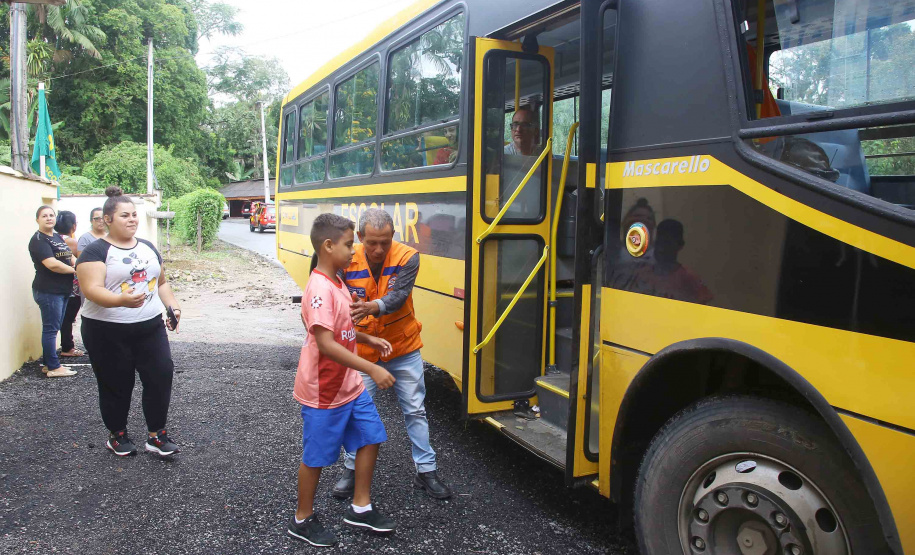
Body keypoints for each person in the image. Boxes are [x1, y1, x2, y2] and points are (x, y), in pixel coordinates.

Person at [288, 213, 397, 547]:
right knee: (317, 457)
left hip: (349, 385)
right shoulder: (319, 289)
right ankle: (302, 519)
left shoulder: (338, 282)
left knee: (370, 437)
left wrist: (368, 341)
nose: (355, 250)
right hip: (325, 391)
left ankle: (360, 507)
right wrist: (374, 368)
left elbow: (344, 330)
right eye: (350, 244)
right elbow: (325, 343)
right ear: (328, 245)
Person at [333, 208, 453, 500]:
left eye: (385, 242)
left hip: (403, 345)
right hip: (363, 349)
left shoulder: (408, 256)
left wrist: (371, 306)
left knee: (415, 410)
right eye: (372, 242)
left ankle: (426, 471)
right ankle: (350, 469)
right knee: (357, 412)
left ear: (392, 237)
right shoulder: (346, 259)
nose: (378, 249)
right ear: (360, 237)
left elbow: (399, 297)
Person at [76, 186, 182, 458]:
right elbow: (91, 290)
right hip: (106, 331)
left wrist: (172, 305)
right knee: (116, 383)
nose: (132, 219)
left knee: (161, 375)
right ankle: (117, 435)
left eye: (135, 214)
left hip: (149, 327)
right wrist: (120, 301)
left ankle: (156, 435)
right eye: (125, 215)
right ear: (107, 219)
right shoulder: (96, 252)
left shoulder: (147, 247)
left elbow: (162, 282)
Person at [28, 206, 78, 378]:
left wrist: (78, 264)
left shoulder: (56, 237)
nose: (49, 218)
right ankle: (53, 368)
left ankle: (50, 363)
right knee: (50, 329)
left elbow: (69, 256)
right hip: (48, 291)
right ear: (37, 220)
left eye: (51, 215)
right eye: (44, 216)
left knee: (54, 328)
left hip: (62, 290)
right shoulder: (38, 240)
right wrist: (75, 271)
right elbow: (52, 264)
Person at [54, 211, 84, 359]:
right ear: (73, 225)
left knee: (65, 317)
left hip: (58, 283)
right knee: (68, 317)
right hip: (72, 285)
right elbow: (82, 259)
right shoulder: (71, 242)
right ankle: (67, 346)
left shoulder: (53, 239)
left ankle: (67, 344)